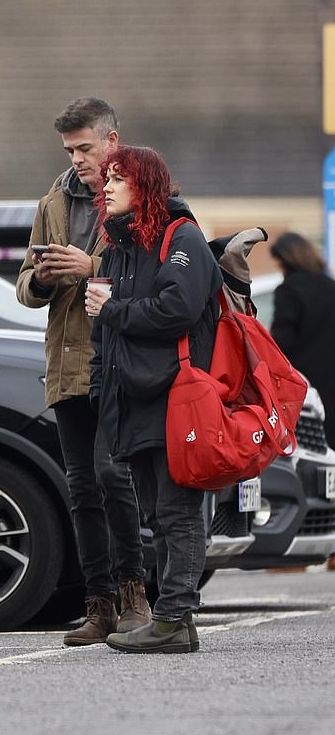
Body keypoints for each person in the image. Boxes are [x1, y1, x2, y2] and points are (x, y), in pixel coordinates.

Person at [16, 97, 151, 647]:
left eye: (85, 148)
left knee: (114, 478)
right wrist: (45, 278)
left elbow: (158, 274)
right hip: (68, 366)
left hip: (119, 363)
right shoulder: (53, 201)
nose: (76, 159)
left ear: (113, 142)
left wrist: (91, 266)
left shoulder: (143, 196)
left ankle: (134, 597)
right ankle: (98, 607)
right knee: (82, 488)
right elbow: (25, 285)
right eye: (69, 150)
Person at [86, 144, 222, 654]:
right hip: (132, 401)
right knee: (156, 514)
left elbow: (178, 308)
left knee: (178, 510)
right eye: (107, 179)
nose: (108, 187)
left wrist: (114, 308)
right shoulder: (117, 248)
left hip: (177, 396)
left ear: (145, 184)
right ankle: (174, 620)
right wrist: (102, 387)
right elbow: (104, 332)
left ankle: (172, 618)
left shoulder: (180, 236)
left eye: (118, 179)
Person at [269, 232, 335, 449]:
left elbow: (280, 344)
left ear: (288, 261)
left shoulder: (289, 291)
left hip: (305, 387)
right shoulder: (330, 286)